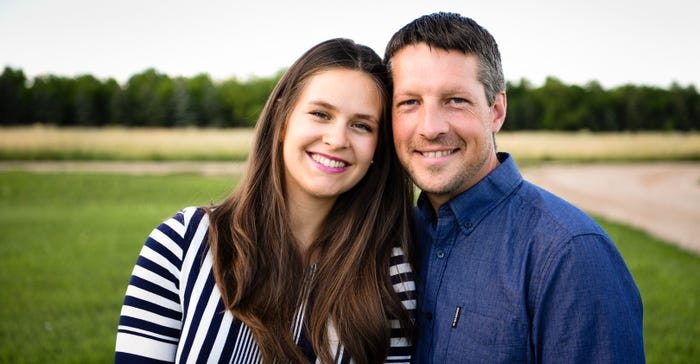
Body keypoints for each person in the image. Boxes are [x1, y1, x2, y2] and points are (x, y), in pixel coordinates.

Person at [115, 38, 416, 364]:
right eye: (320, 114)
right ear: (282, 119)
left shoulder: (388, 276)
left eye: (361, 125)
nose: (337, 140)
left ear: (377, 147)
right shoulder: (182, 244)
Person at [384, 12, 645, 363]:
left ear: (496, 110)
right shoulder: (397, 238)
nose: (430, 128)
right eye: (409, 103)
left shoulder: (570, 254)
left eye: (455, 100)